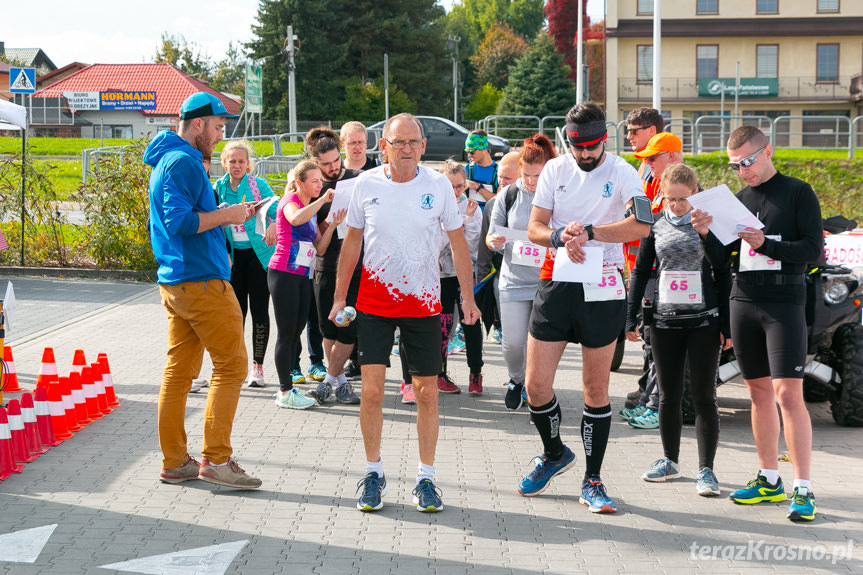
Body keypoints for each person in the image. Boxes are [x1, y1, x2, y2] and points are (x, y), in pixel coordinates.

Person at [330, 113, 481, 513]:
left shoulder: (437, 186)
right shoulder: (366, 184)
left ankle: (426, 479)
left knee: (427, 393)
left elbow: (458, 244)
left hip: (423, 304)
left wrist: (467, 296)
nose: (408, 149)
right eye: (400, 143)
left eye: (415, 142)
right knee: (374, 392)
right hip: (375, 302)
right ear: (385, 146)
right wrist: (339, 297)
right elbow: (352, 245)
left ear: (424, 147)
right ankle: (373, 473)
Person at [518, 101, 650, 513]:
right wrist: (559, 237)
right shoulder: (555, 170)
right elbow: (534, 227)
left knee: (596, 389)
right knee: (534, 384)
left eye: (592, 147)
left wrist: (591, 232)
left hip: (604, 283)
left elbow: (642, 225)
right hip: (557, 281)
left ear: (604, 139)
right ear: (568, 142)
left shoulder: (624, 172)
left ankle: (593, 480)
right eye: (578, 147)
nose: (585, 154)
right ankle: (555, 452)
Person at [691, 125, 823, 522]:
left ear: (767, 152)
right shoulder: (739, 200)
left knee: (788, 394)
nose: (743, 171)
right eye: (734, 166)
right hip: (743, 301)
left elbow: (813, 249)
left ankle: (803, 487)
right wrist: (704, 235)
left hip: (784, 303)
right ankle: (769, 478)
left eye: (747, 161)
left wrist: (768, 244)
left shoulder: (798, 192)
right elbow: (721, 260)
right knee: (759, 394)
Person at [145, 91, 261, 488]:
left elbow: (181, 220)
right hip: (201, 282)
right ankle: (216, 460)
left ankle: (176, 461)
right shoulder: (184, 162)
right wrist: (228, 215)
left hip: (178, 281)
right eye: (216, 127)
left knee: (178, 374)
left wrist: (226, 217)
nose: (219, 135)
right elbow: (180, 221)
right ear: (198, 124)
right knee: (232, 366)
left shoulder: (167, 160)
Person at [625, 163, 731, 496]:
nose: (676, 206)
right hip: (664, 322)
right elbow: (640, 273)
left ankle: (707, 470)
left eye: (682, 199)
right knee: (668, 397)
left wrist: (726, 326)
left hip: (703, 322)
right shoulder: (655, 227)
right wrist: (630, 318)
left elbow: (724, 270)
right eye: (670, 199)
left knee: (703, 397)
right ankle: (669, 461)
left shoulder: (708, 226)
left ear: (695, 193)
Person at [620, 131, 686, 430]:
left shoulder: (686, 194)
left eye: (652, 158)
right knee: (653, 345)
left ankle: (656, 406)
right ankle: (650, 400)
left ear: (671, 156)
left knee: (666, 348)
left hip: (673, 283)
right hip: (652, 277)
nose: (647, 163)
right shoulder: (654, 187)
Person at [486, 135, 557, 411]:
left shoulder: (556, 194)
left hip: (546, 283)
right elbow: (493, 235)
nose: (530, 181)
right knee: (513, 344)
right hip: (513, 280)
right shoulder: (509, 193)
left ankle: (534, 389)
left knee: (538, 346)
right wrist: (495, 242)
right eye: (525, 174)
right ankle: (516, 379)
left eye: (537, 175)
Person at [400, 160, 483, 396]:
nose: (455, 191)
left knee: (471, 324)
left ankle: (475, 373)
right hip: (441, 275)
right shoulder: (432, 205)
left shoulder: (471, 208)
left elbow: (472, 245)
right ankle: (440, 373)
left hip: (464, 274)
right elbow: (436, 241)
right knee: (444, 326)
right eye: (450, 185)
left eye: (459, 186)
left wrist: (467, 220)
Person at [270, 160, 343, 410]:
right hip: (283, 273)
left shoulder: (311, 210)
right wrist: (322, 201)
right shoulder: (291, 199)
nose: (319, 185)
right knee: (286, 334)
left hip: (303, 275)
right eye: (314, 181)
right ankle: (284, 390)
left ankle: (289, 387)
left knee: (296, 331)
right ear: (300, 183)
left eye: (321, 182)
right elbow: (294, 219)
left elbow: (319, 248)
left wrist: (333, 224)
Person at [214, 141, 278, 388]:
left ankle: (258, 368)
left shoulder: (257, 185)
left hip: (259, 256)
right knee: (235, 314)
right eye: (232, 161)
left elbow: (276, 212)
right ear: (225, 163)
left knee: (260, 312)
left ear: (248, 164)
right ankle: (237, 365)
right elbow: (214, 224)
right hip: (233, 260)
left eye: (241, 161)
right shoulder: (218, 189)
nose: (237, 165)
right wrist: (224, 252)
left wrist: (273, 225)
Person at [305, 126, 362, 405]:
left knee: (349, 329)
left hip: (356, 268)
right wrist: (329, 223)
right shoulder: (315, 189)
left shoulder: (358, 179)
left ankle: (329, 381)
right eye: (325, 164)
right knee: (329, 329)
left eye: (336, 161)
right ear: (316, 162)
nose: (332, 168)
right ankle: (339, 383)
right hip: (325, 267)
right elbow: (318, 243)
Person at [622, 108, 665, 411]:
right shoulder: (645, 170)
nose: (629, 136)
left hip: (653, 270)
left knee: (652, 338)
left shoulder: (665, 175)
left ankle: (652, 399)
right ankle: (646, 391)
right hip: (640, 266)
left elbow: (649, 218)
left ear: (652, 131)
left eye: (634, 130)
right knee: (648, 337)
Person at [476, 151, 519, 347]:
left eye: (507, 178)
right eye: (499, 177)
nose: (501, 182)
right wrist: (482, 277)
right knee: (510, 332)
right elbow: (485, 244)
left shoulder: (538, 203)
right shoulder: (493, 204)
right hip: (500, 272)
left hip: (531, 273)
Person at [464, 129, 499, 204]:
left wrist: (477, 186)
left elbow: (498, 202)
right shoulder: (466, 169)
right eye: (467, 152)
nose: (469, 155)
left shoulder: (498, 172)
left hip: (489, 215)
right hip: (470, 215)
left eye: (471, 151)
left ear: (483, 148)